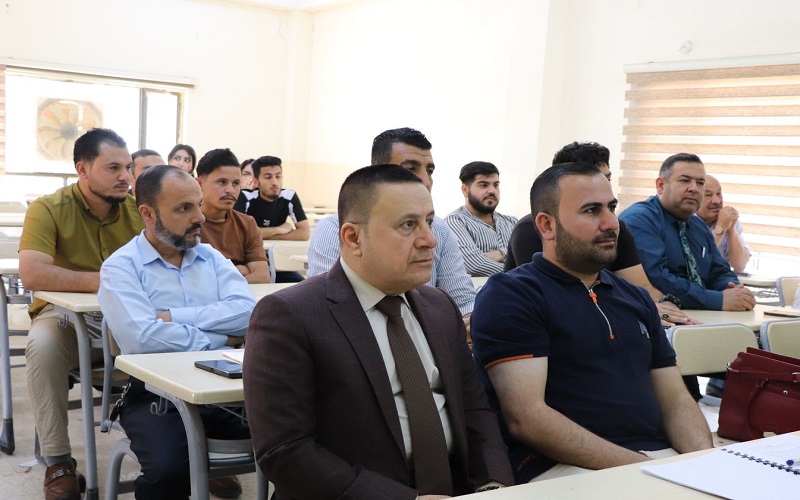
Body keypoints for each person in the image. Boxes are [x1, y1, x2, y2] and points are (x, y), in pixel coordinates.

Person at [244, 165, 513, 499]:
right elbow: (285, 451)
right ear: (353, 238)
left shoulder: (440, 307)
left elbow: (475, 411)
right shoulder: (290, 315)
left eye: (429, 222)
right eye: (408, 225)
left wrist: (492, 486)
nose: (430, 240)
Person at [471, 162, 713, 484]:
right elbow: (527, 419)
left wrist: (704, 466)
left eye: (611, 207)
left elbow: (675, 401)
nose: (611, 223)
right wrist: (643, 469)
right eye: (591, 210)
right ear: (547, 225)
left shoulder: (636, 298)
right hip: (562, 468)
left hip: (651, 460)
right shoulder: (513, 295)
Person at [98, 165, 256, 499]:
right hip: (155, 395)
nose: (200, 217)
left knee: (294, 440)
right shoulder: (120, 267)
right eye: (184, 208)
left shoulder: (210, 257)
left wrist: (173, 317)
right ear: (148, 213)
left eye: (198, 204)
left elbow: (248, 313)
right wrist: (223, 338)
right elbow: (142, 340)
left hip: (226, 387)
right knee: (169, 471)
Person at [18, 128, 144, 500]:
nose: (125, 176)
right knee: (42, 344)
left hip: (128, 316)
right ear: (83, 169)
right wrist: (107, 281)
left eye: (128, 167)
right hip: (67, 319)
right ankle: (58, 461)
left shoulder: (141, 211)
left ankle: (198, 449)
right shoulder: (48, 208)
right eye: (113, 168)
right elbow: (33, 273)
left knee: (188, 338)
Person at [506, 141, 693, 327]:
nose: (602, 186)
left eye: (607, 178)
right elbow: (554, 299)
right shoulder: (529, 230)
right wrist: (635, 309)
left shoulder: (614, 227)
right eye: (591, 209)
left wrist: (666, 307)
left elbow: (642, 287)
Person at [307, 127, 476, 320]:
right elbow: (330, 306)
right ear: (378, 173)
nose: (426, 181)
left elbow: (462, 300)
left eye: (429, 171)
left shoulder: (439, 229)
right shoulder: (333, 229)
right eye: (410, 169)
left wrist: (469, 323)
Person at [619, 153, 755, 312]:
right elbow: (657, 278)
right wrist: (718, 299)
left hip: (702, 316)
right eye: (684, 180)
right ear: (661, 185)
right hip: (659, 316)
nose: (694, 188)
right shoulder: (639, 220)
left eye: (700, 183)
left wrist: (734, 290)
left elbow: (719, 271)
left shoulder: (698, 226)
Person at [195, 148, 270, 283]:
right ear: (199, 184)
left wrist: (222, 276)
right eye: (222, 182)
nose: (231, 190)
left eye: (236, 183)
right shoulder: (186, 223)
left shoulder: (247, 224)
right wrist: (238, 270)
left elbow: (262, 277)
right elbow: (193, 279)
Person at [444, 161, 517, 276]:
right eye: (484, 185)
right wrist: (520, 271)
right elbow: (473, 265)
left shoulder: (512, 222)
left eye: (496, 185)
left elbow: (531, 254)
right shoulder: (455, 221)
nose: (492, 191)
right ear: (465, 190)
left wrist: (500, 254)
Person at [241, 155, 310, 241]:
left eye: (278, 176)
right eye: (268, 177)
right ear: (256, 182)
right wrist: (278, 230)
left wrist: (267, 236)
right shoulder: (245, 196)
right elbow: (239, 233)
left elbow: (304, 233)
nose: (275, 182)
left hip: (276, 248)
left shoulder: (289, 196)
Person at [695, 174, 750, 273]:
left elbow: (739, 266)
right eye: (708, 195)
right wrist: (720, 228)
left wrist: (731, 230)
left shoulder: (727, 219)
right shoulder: (687, 221)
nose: (717, 201)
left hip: (721, 279)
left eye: (718, 193)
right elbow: (697, 260)